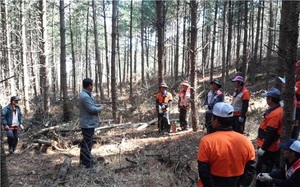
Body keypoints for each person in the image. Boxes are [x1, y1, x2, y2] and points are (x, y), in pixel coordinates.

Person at [197, 102, 256, 187]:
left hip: (214, 182)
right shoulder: (246, 141)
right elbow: (250, 168)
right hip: (237, 182)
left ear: (216, 121)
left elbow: (203, 171)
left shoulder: (207, 141)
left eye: (212, 117)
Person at [256, 88, 283, 187]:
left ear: (271, 99)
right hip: (267, 145)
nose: (266, 100)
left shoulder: (275, 114)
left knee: (263, 168)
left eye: (267, 98)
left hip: (268, 148)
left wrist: (263, 148)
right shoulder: (274, 110)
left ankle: (262, 184)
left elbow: (271, 133)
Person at [79, 78, 104, 172]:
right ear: (89, 86)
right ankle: (87, 166)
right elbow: (91, 109)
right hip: (87, 124)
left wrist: (99, 106)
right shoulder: (85, 96)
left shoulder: (86, 94)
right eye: (92, 85)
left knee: (86, 143)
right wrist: (100, 109)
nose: (93, 87)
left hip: (89, 123)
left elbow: (92, 105)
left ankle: (83, 162)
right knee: (87, 145)